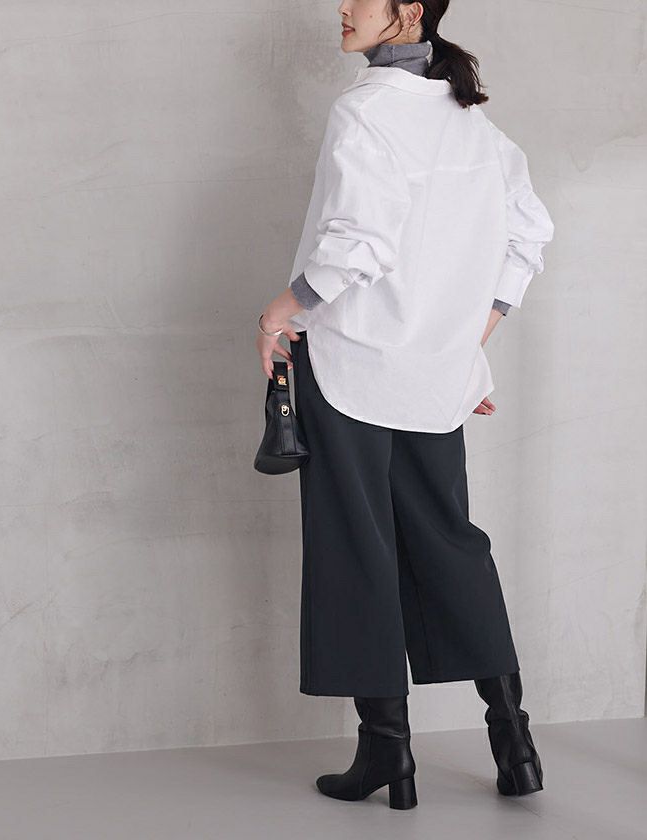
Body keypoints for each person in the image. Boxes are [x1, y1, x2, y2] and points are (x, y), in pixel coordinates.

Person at [255, 0, 554, 811]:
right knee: (451, 544)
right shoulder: (474, 125)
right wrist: (464, 342)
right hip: (434, 377)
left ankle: (388, 753)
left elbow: (358, 242)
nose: (343, 7)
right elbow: (528, 236)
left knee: (358, 548)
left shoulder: (366, 111)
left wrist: (280, 312)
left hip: (349, 365)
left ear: (410, 11)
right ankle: (515, 744)